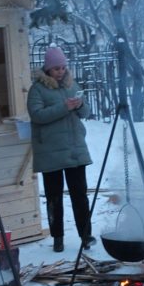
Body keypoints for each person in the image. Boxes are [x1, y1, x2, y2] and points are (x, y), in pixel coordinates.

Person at [27, 46, 94, 253]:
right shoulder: (37, 89)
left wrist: (80, 104)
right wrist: (65, 107)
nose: (61, 71)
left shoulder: (72, 85)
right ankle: (58, 237)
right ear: (47, 69)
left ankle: (86, 235)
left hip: (75, 149)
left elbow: (85, 113)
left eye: (63, 67)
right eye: (56, 68)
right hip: (50, 151)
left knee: (80, 195)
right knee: (54, 197)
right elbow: (37, 115)